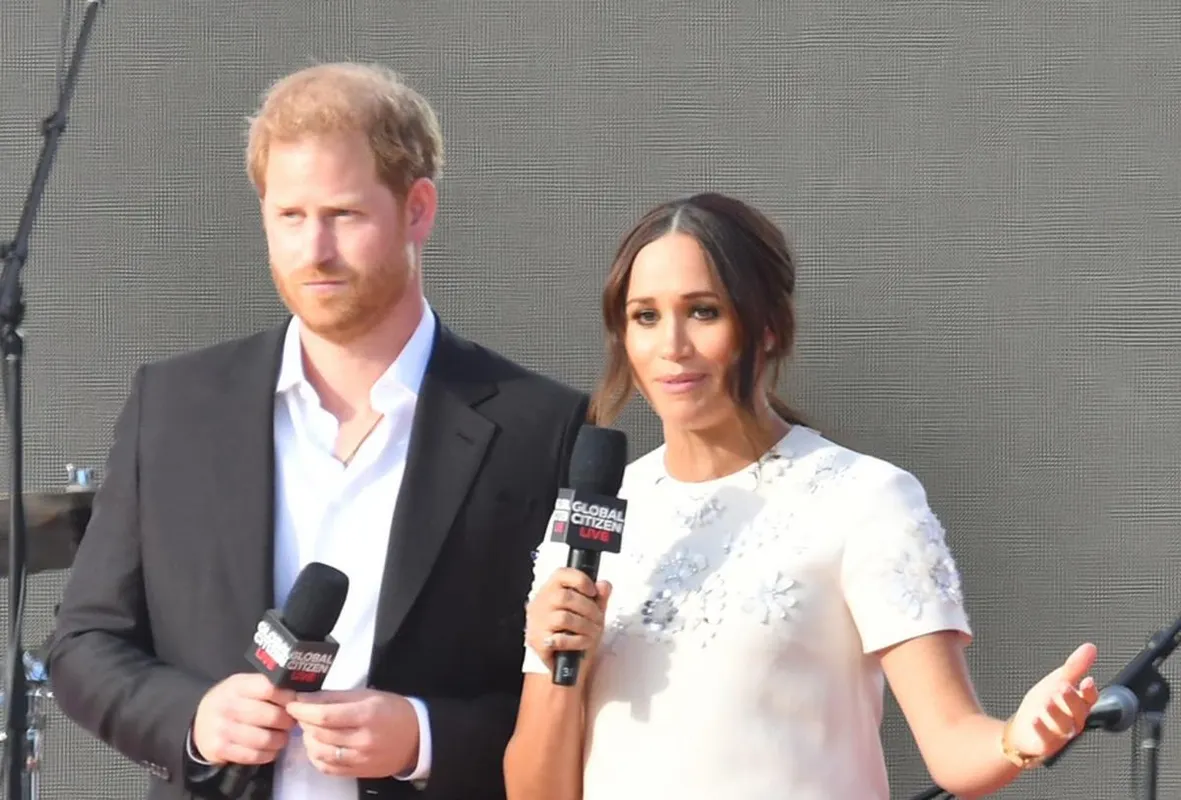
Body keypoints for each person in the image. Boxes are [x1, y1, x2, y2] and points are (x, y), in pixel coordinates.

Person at [46, 62, 587, 800]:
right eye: (290, 217)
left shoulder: (538, 427)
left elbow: (572, 691)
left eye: (343, 215)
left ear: (417, 209)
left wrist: (424, 737)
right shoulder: (175, 407)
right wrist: (195, 718)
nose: (314, 251)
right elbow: (84, 643)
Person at [503, 192, 1101, 800]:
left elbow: (952, 744)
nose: (672, 345)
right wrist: (557, 665)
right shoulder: (592, 518)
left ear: (767, 327)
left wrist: (1015, 739)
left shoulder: (863, 499)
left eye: (703, 311)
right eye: (646, 316)